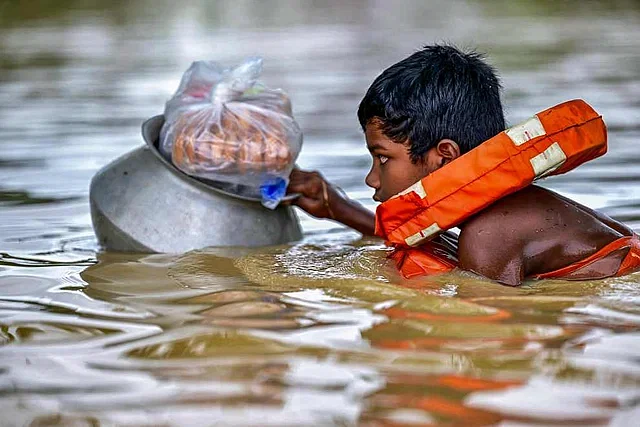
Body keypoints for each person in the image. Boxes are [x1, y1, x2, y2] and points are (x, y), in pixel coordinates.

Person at [287, 44, 640, 286]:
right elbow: (430, 241)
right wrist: (338, 208)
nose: (370, 178)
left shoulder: (489, 235)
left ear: (444, 156)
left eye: (382, 158)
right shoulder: (498, 216)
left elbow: (479, 329)